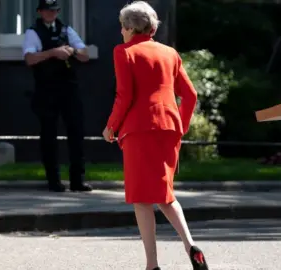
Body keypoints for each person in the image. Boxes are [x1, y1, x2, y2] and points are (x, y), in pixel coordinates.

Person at [102, 1, 210, 270]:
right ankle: (191, 245)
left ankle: (152, 265)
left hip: (139, 129)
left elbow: (124, 95)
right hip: (169, 128)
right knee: (164, 194)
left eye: (122, 28)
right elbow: (190, 95)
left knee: (141, 199)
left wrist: (111, 126)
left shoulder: (124, 52)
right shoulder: (170, 53)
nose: (121, 33)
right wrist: (180, 127)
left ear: (129, 28)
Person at [22, 0, 92, 192]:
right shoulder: (33, 32)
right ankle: (54, 180)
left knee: (76, 132)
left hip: (69, 87)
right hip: (47, 89)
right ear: (40, 12)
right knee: (49, 135)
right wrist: (53, 52)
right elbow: (29, 58)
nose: (50, 14)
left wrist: (72, 51)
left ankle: (77, 180)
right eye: (46, 10)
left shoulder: (66, 30)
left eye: (53, 10)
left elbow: (85, 54)